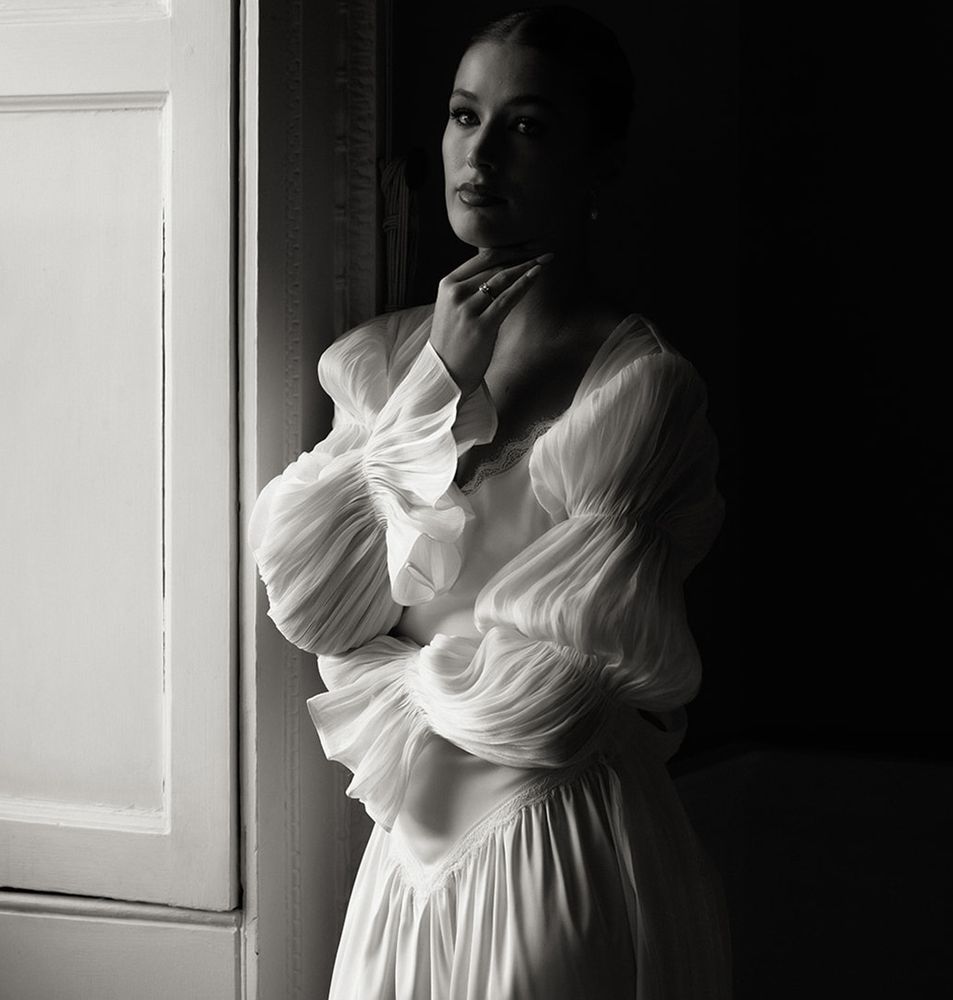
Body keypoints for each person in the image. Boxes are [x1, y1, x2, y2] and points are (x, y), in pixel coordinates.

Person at [250, 6, 731, 997]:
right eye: (465, 116)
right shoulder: (381, 363)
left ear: (598, 163)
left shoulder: (639, 394)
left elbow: (547, 697)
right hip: (405, 868)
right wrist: (436, 378)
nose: (482, 154)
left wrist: (391, 666)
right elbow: (311, 601)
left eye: (528, 126)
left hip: (554, 854)